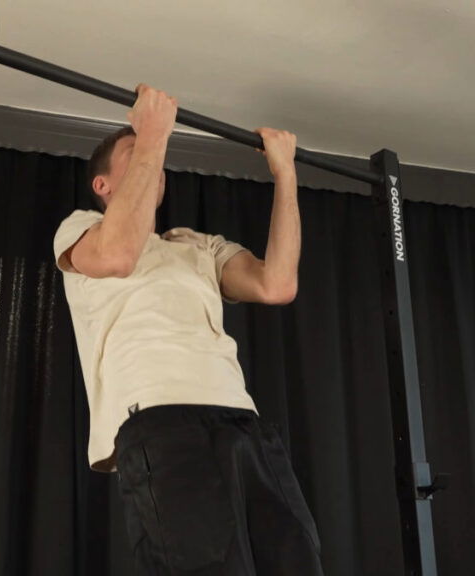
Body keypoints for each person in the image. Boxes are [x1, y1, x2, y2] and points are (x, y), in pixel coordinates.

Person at [52, 84, 323, 575]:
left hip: (242, 420)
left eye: (155, 154)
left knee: (296, 562)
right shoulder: (80, 229)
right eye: (137, 155)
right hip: (160, 420)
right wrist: (151, 134)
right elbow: (117, 255)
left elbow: (277, 285)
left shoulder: (194, 244)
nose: (155, 158)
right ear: (103, 185)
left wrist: (285, 174)